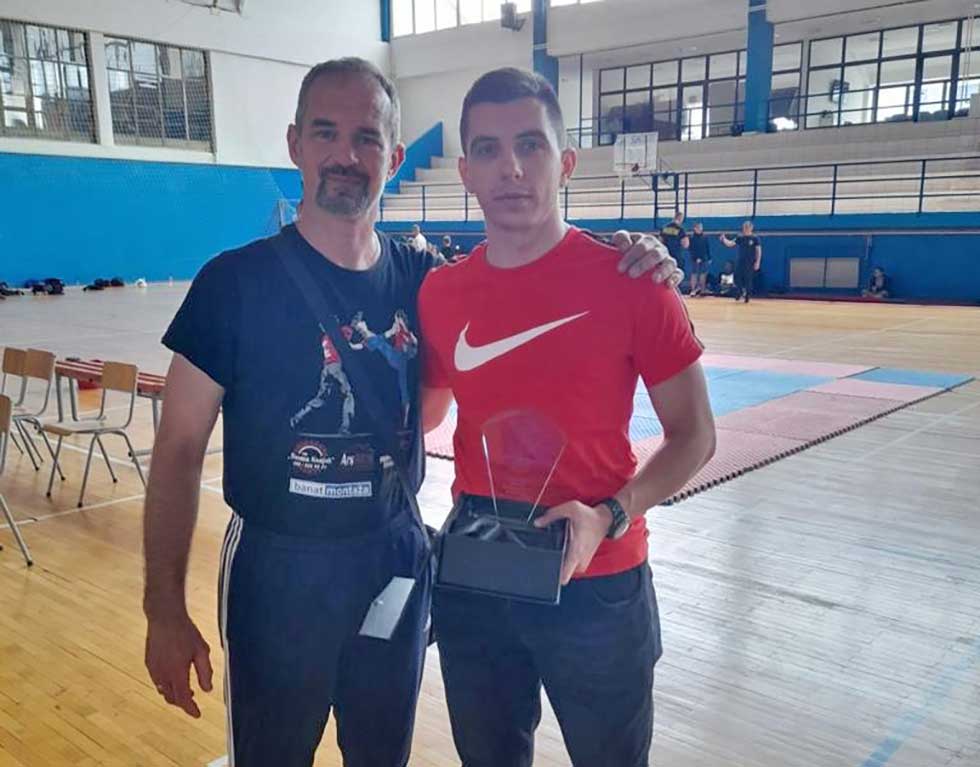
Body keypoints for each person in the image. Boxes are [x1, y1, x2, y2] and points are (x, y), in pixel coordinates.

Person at [142, 57, 684, 767]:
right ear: (294, 144)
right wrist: (162, 607)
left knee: (383, 754)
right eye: (326, 132)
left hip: (393, 560)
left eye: (366, 137)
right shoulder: (232, 284)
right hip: (278, 573)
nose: (345, 154)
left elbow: (438, 395)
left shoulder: (425, 282)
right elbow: (178, 448)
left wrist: (634, 252)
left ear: (394, 158)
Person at [418, 67, 716, 767]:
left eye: (531, 144)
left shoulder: (633, 282)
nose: (511, 168)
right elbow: (421, 416)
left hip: (600, 583)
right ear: (465, 172)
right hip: (478, 577)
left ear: (567, 161)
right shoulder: (438, 293)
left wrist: (610, 513)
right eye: (488, 149)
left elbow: (696, 436)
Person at [720, 220, 761, 303]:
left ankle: (747, 295)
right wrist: (724, 239)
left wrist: (757, 262)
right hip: (740, 261)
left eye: (748, 227)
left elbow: (758, 251)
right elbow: (730, 244)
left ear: (751, 228)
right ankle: (739, 292)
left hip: (750, 262)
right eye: (745, 227)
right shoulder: (740, 237)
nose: (746, 229)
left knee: (748, 279)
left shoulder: (755, 238)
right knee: (737, 277)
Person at [659, 210, 689, 277]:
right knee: (677, 274)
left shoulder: (665, 228)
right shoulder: (680, 229)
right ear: (681, 218)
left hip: (666, 255)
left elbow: (660, 241)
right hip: (677, 255)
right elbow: (686, 244)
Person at [688, 221, 711, 296]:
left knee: (703, 274)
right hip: (694, 258)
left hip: (704, 258)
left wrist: (709, 258)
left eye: (701, 227)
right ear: (694, 228)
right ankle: (693, 290)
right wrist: (696, 258)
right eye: (698, 227)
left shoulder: (705, 237)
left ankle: (702, 289)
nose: (700, 229)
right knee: (694, 273)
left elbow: (707, 248)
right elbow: (691, 249)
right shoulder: (691, 238)